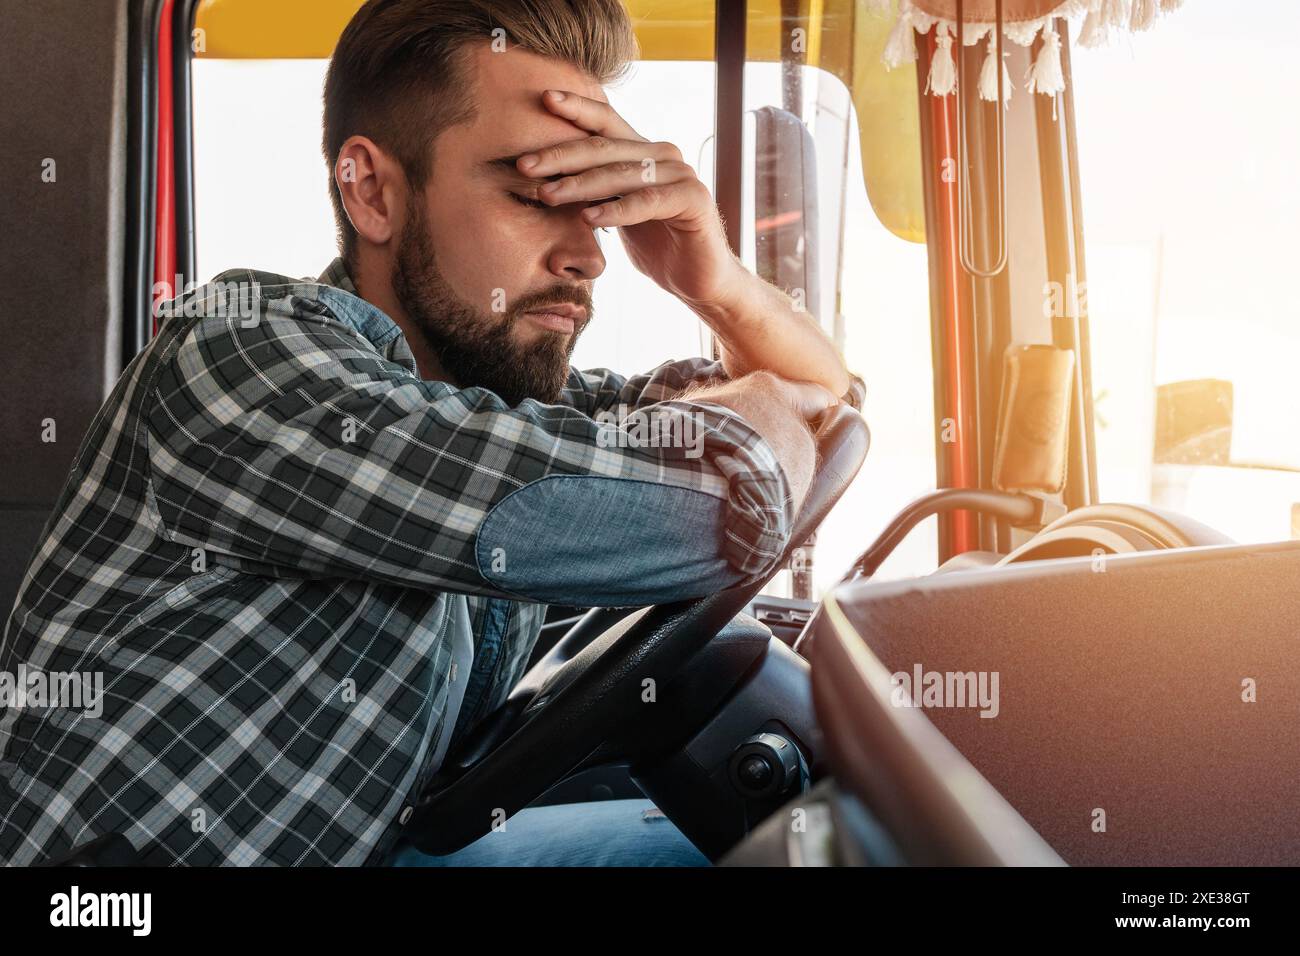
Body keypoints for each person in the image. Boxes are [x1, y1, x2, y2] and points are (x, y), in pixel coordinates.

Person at [0, 0, 858, 866]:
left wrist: (718, 285)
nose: (591, 254)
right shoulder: (242, 355)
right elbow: (716, 496)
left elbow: (821, 412)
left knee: (819, 842)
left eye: (598, 203)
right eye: (537, 194)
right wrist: (753, 437)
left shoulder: (488, 405)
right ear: (373, 190)